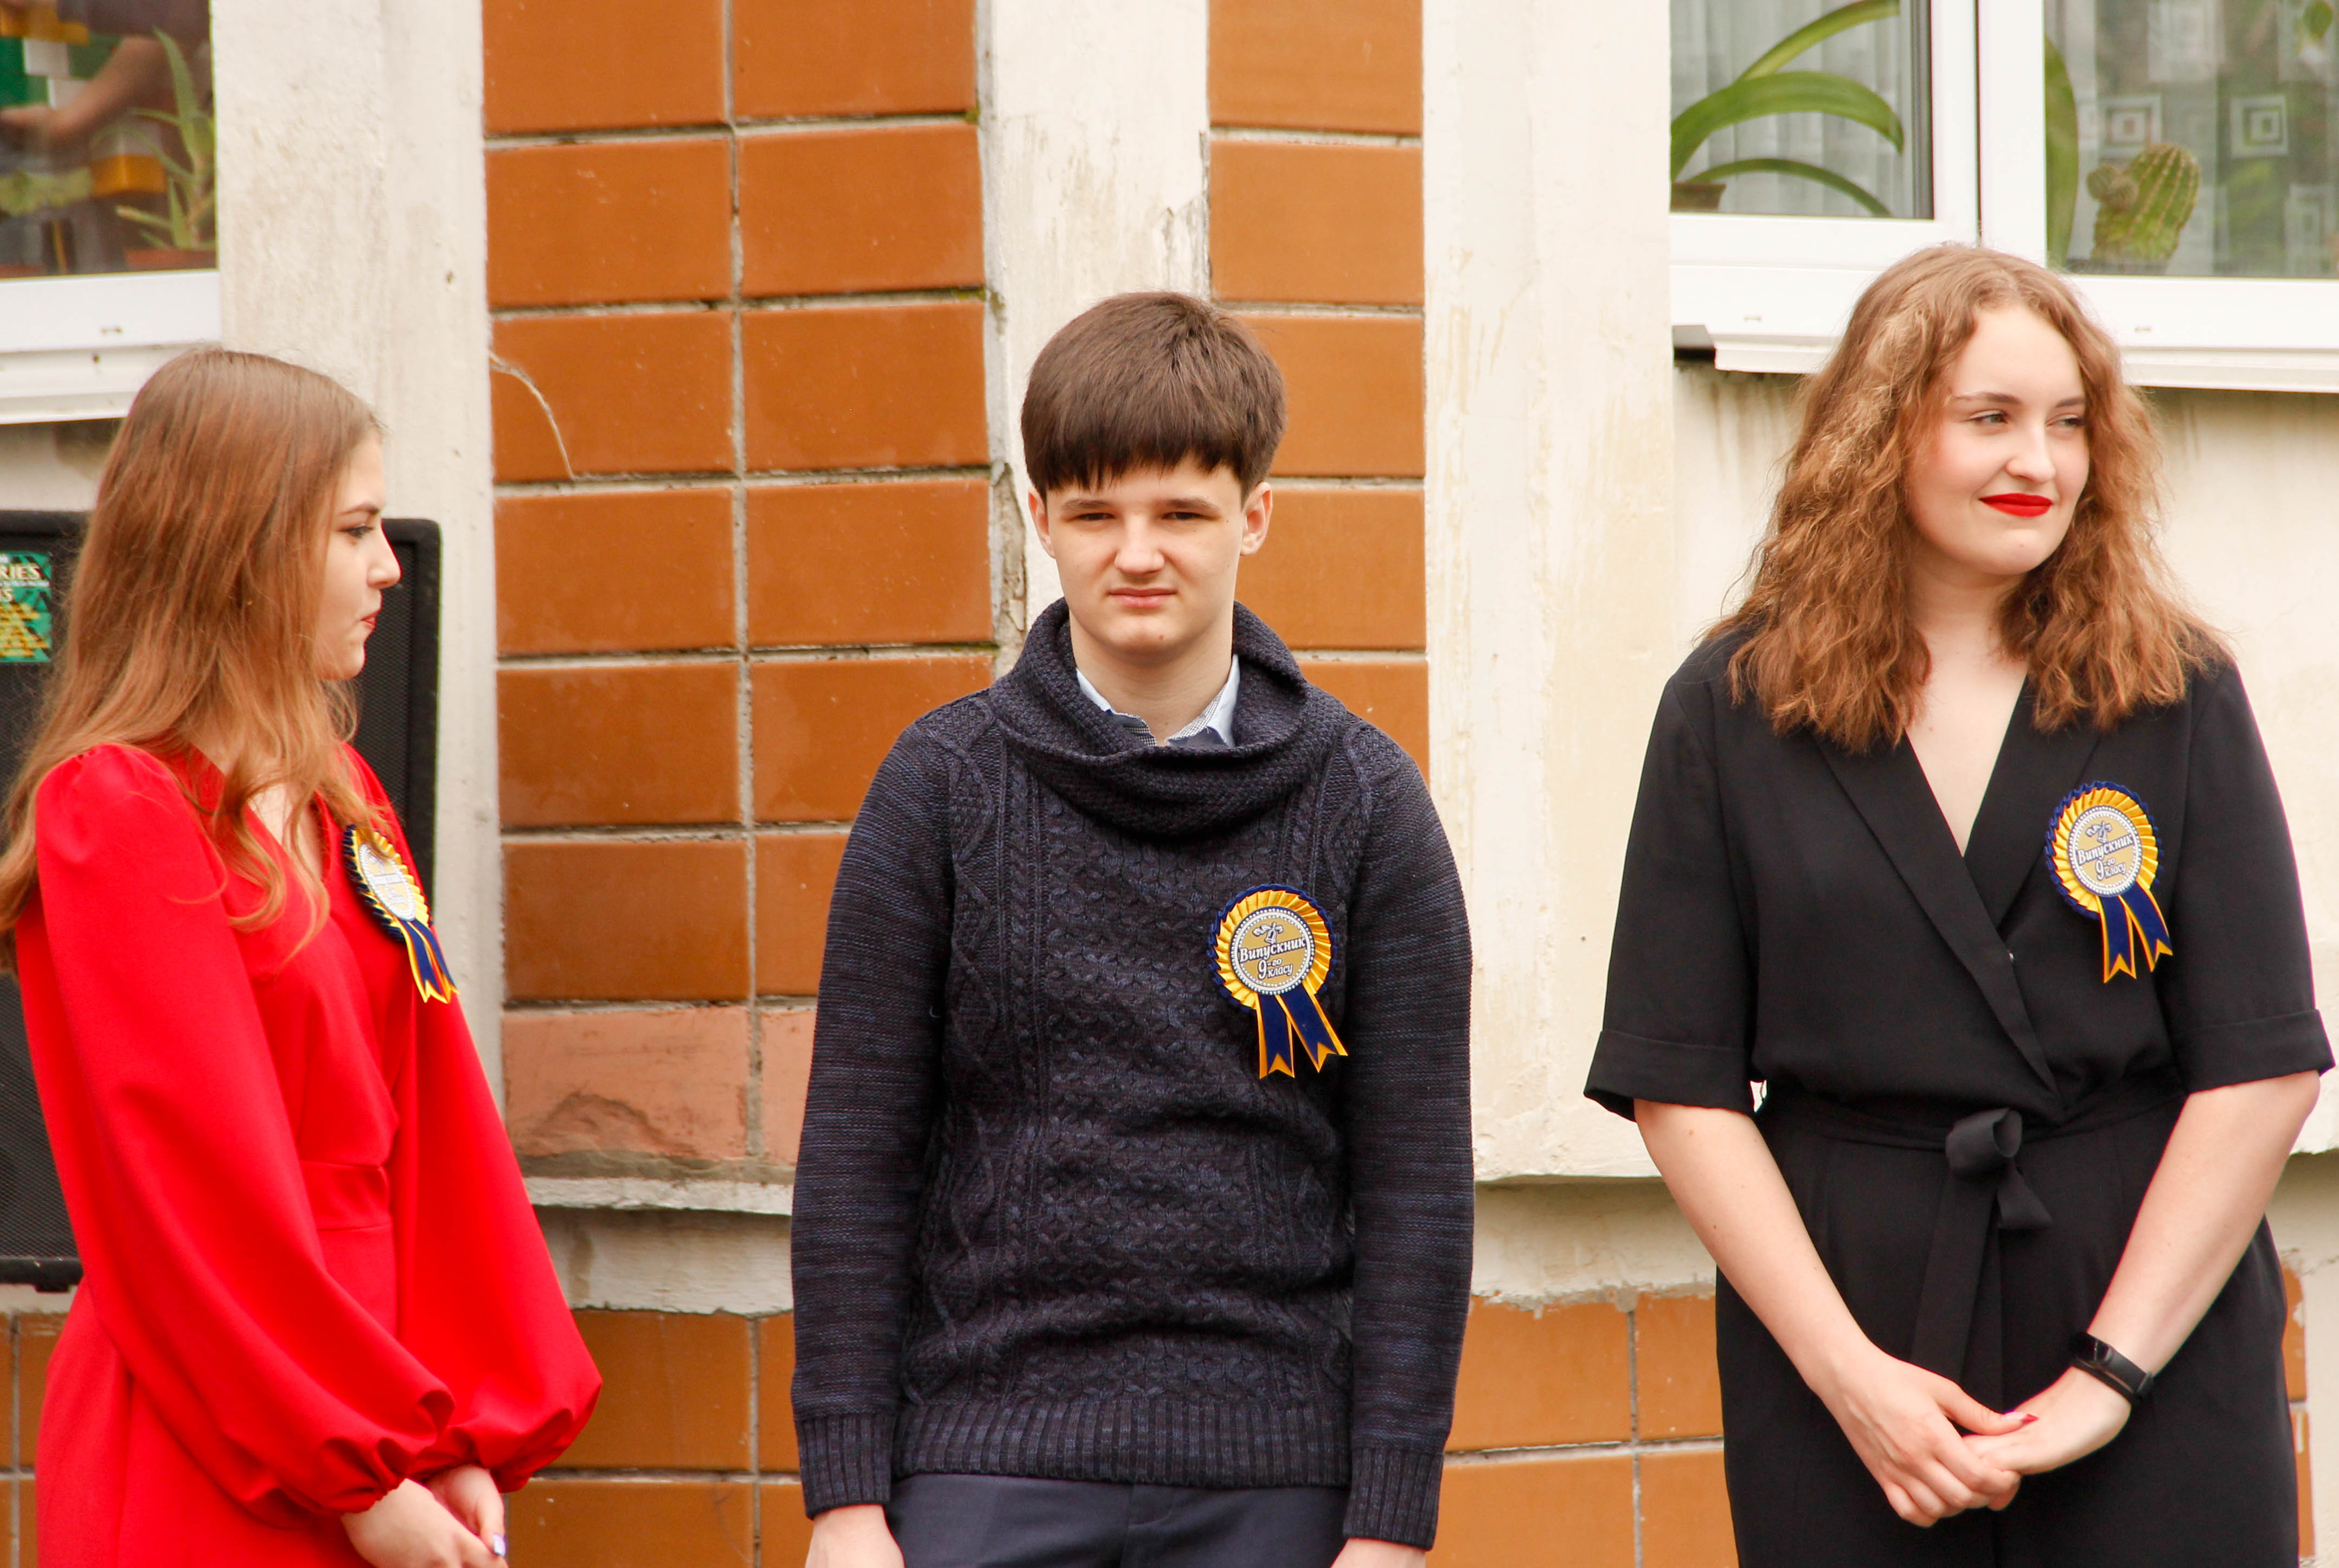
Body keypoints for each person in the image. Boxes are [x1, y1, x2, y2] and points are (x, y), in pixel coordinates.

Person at [1585, 243, 2328, 1566]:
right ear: (1881, 435)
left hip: (2149, 1324)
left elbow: (2260, 1064)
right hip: (1852, 1334)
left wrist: (2110, 1376)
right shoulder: (1729, 710)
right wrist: (1851, 1381)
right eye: (1989, 418)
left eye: (2068, 423)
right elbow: (1679, 1084)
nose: (2038, 461)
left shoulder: (2176, 691)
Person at [790, 292, 1474, 1568]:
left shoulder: (1368, 803)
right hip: (986, 1463)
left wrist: (1391, 1524)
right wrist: (846, 1500)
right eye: (1097, 514)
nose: (1138, 554)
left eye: (1182, 514)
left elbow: (1417, 1189)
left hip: (1278, 1476)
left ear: (1254, 517)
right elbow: (856, 1159)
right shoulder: (938, 786)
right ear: (1039, 517)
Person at [0, 349, 600, 1566]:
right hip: (218, 1418)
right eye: (354, 530)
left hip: (371, 1404)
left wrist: (454, 1428)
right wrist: (354, 1467)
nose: (388, 567)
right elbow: (188, 1186)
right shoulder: (119, 807)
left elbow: (434, 1118)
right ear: (243, 548)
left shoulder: (342, 793)